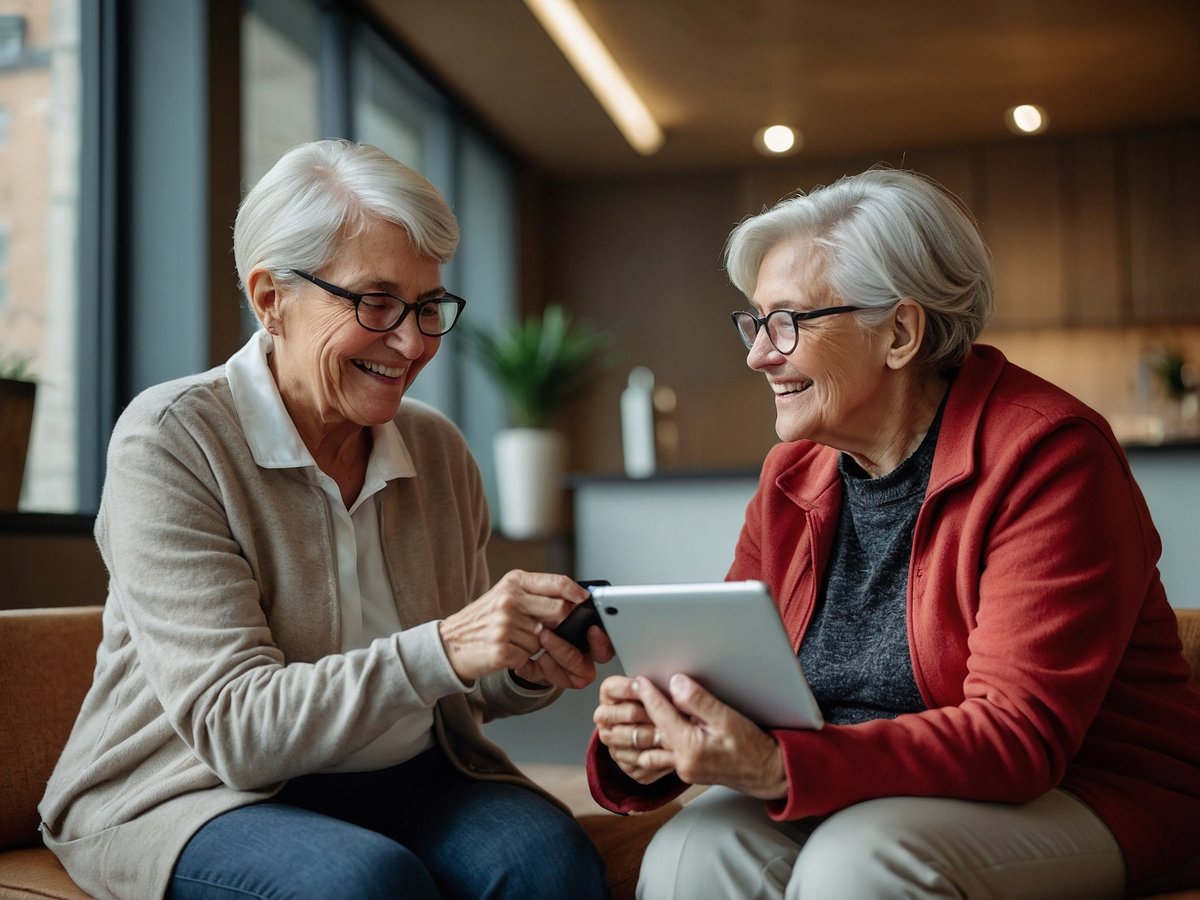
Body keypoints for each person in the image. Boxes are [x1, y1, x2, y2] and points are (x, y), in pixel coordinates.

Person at [587, 168, 1200, 899]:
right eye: (754, 322)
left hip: (1092, 789)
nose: (757, 354)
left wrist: (782, 767)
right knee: (693, 851)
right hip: (859, 782)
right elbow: (742, 676)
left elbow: (1018, 739)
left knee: (860, 863)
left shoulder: (1050, 456)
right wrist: (656, 735)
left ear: (901, 333)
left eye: (788, 321)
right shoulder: (793, 474)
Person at [39, 139, 613, 900]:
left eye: (428, 306)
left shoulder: (437, 450)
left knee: (550, 864)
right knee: (362, 885)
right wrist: (448, 644)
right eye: (376, 302)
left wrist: (523, 665)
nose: (411, 343)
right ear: (270, 297)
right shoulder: (172, 438)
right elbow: (236, 729)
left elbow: (458, 693)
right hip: (198, 792)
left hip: (410, 776)